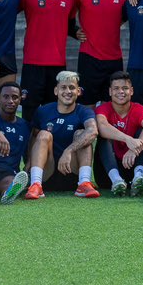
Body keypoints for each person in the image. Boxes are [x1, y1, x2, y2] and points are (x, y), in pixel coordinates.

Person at [20, 0, 76, 125]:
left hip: (58, 66)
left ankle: (51, 154)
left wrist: (79, 33)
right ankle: (28, 154)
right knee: (29, 115)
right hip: (32, 64)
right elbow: (4, 12)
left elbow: (70, 25)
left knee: (55, 117)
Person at [26, 71, 99, 199]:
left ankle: (84, 183)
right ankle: (35, 184)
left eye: (72, 87)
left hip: (72, 170)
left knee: (82, 133)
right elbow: (34, 137)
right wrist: (29, 162)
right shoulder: (43, 111)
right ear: (56, 91)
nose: (68, 91)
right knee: (43, 134)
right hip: (47, 172)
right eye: (63, 87)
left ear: (79, 91)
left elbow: (93, 131)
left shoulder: (84, 111)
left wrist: (68, 151)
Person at [74, 0, 132, 105]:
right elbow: (64, 12)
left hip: (113, 58)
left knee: (112, 106)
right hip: (89, 57)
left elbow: (128, 15)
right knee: (88, 106)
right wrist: (74, 31)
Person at [94, 71, 143, 195]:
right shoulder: (102, 109)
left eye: (125, 88)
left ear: (131, 91)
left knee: (142, 135)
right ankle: (116, 180)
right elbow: (102, 126)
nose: (121, 92)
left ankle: (139, 177)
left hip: (131, 167)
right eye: (116, 88)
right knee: (103, 137)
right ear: (110, 92)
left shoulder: (140, 109)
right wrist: (128, 139)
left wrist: (135, 148)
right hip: (107, 175)